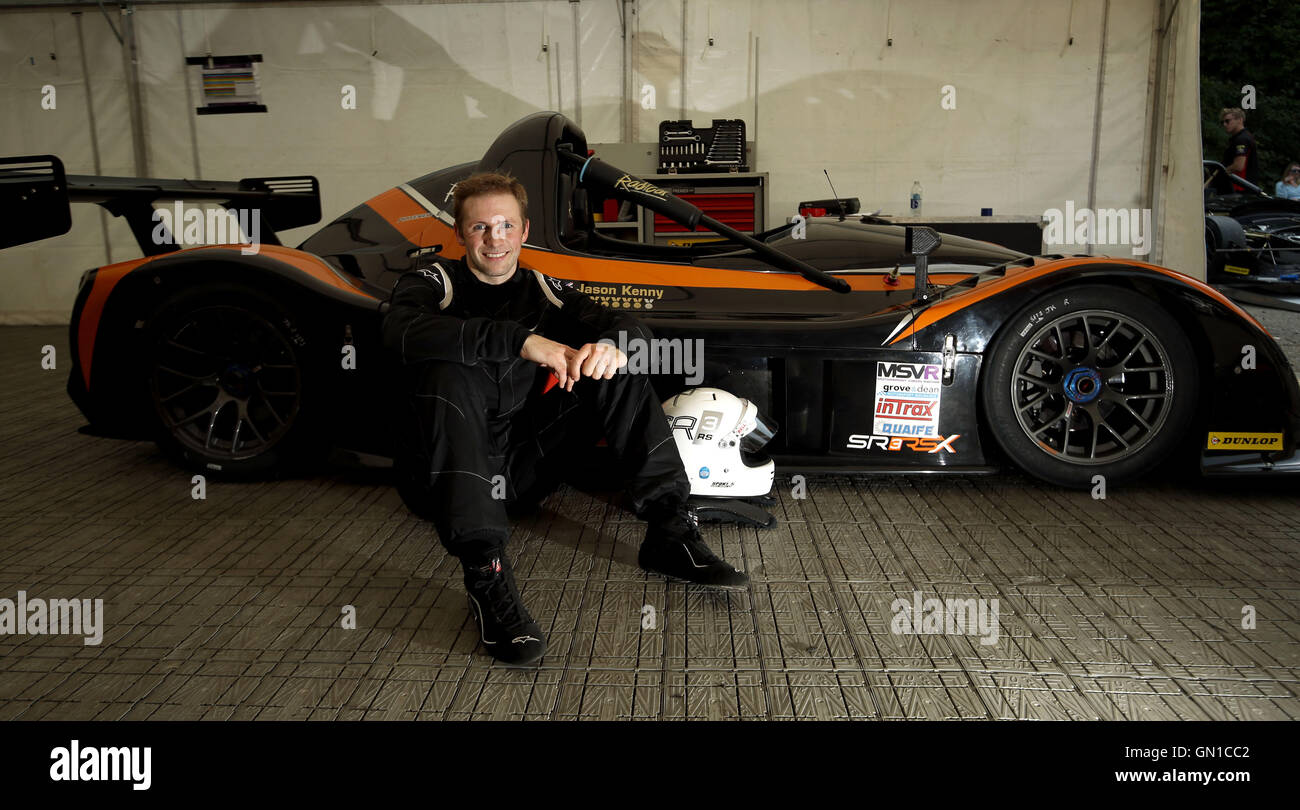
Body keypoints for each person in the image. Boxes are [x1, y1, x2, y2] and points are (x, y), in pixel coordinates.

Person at [381, 171, 747, 666]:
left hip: (520, 472)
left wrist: (610, 347)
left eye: (506, 226)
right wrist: (518, 341)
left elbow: (633, 328)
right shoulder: (433, 280)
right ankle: (485, 575)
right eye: (480, 228)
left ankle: (670, 532)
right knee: (448, 370)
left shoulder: (544, 288)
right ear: (459, 234)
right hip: (442, 483)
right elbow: (399, 333)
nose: (495, 239)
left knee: (613, 367)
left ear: (524, 231)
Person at [1219, 108, 1259, 187]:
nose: (1224, 124)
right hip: (1242, 186)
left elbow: (1238, 166)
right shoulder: (1241, 137)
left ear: (1240, 120)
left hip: (1240, 187)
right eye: (1222, 122)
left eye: (1227, 121)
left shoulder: (1242, 139)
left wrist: (1220, 173)